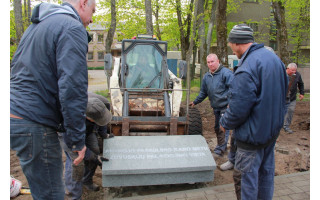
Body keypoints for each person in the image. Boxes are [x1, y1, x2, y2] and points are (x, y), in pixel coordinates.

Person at [10, 0, 96, 199]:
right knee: (51, 194)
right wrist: (76, 142)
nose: (91, 19)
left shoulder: (37, 26)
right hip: (35, 122)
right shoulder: (72, 28)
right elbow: (72, 89)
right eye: (92, 11)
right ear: (83, 3)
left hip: (14, 114)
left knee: (42, 190)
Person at [219, 24, 288, 200]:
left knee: (246, 184)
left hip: (251, 140)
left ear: (236, 43)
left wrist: (224, 122)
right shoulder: (275, 60)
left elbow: (238, 108)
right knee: (265, 178)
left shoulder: (246, 67)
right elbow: (282, 97)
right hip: (269, 136)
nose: (233, 51)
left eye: (231, 47)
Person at [62, 97, 112, 200]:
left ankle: (86, 180)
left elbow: (102, 120)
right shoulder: (70, 118)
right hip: (69, 135)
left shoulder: (103, 103)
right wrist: (92, 157)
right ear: (87, 117)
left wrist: (104, 134)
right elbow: (74, 145)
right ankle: (73, 195)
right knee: (76, 163)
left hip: (87, 130)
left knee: (95, 150)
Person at [190, 54, 233, 157]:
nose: (210, 64)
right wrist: (195, 102)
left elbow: (234, 89)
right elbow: (203, 92)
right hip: (216, 106)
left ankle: (220, 150)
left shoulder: (226, 73)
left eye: (212, 61)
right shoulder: (207, 76)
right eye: (208, 62)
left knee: (223, 127)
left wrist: (231, 104)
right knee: (217, 127)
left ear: (218, 61)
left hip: (225, 106)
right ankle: (221, 146)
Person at [283, 63, 304, 134]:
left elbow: (301, 84)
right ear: (287, 69)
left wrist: (302, 93)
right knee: (280, 112)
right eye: (292, 70)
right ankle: (277, 126)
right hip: (281, 98)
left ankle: (286, 126)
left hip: (292, 97)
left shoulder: (297, 75)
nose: (294, 72)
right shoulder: (282, 74)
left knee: (290, 111)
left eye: (295, 70)